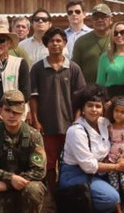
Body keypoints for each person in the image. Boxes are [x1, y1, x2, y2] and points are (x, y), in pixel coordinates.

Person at [59, 85, 124, 213]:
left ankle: (120, 209)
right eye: (90, 106)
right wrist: (116, 167)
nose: (94, 110)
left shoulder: (104, 123)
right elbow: (88, 166)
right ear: (82, 108)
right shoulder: (76, 131)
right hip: (78, 175)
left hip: (100, 172)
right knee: (110, 197)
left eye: (98, 106)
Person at [29, 28, 86, 199]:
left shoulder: (73, 68)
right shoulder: (38, 68)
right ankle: (54, 197)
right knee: (50, 164)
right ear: (46, 44)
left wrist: (76, 122)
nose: (55, 44)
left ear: (65, 43)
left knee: (69, 162)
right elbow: (33, 97)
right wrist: (36, 120)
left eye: (59, 41)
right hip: (47, 125)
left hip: (69, 124)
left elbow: (81, 98)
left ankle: (68, 195)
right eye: (51, 41)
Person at [71, 3, 114, 84]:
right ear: (91, 20)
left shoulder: (118, 39)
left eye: (103, 17)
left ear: (111, 19)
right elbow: (74, 69)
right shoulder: (81, 42)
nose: (99, 20)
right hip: (89, 91)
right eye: (96, 17)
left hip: (114, 89)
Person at [96, 22, 124, 98]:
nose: (119, 35)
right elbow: (100, 84)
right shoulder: (105, 57)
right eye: (115, 33)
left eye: (123, 32)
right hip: (111, 98)